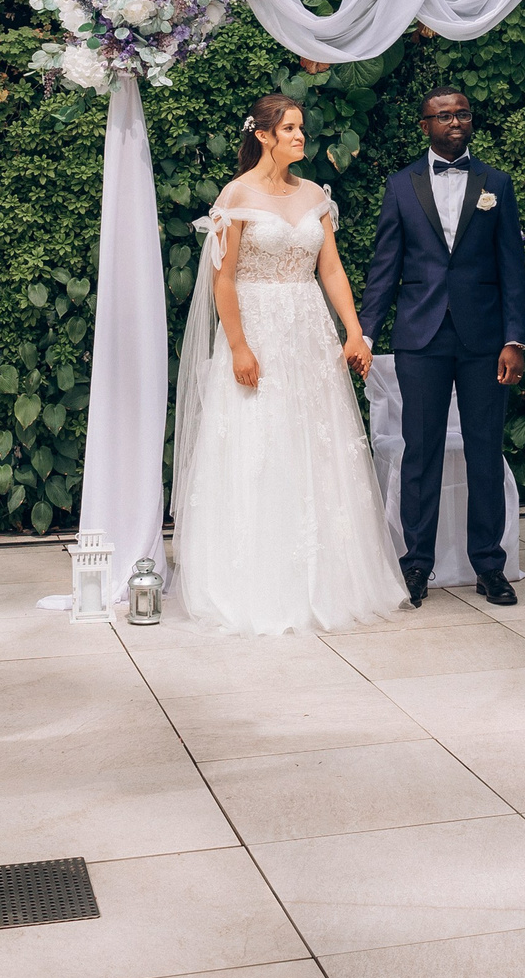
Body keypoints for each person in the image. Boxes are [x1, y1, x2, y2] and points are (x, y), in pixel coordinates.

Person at [170, 95, 409, 634]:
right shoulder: (236, 195)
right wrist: (237, 346)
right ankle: (254, 581)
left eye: (302, 128)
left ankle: (327, 578)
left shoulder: (315, 195)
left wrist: (354, 331)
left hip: (308, 331)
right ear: (264, 135)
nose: (302, 137)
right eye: (292, 129)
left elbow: (332, 271)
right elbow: (222, 278)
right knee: (259, 444)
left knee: (317, 446)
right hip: (257, 327)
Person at [357, 88, 525, 608]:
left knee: (484, 453)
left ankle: (490, 567)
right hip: (420, 337)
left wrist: (514, 338)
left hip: (484, 340)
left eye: (462, 114)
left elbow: (512, 270)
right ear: (424, 124)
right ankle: (416, 567)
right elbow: (386, 267)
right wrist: (365, 333)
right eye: (444, 115)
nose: (455, 121)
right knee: (421, 454)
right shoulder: (401, 186)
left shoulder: (495, 183)